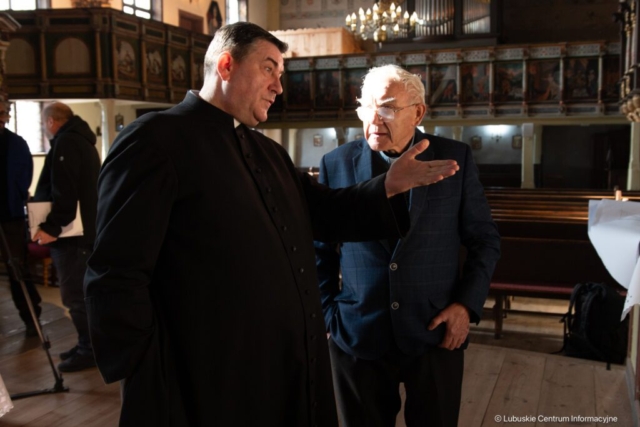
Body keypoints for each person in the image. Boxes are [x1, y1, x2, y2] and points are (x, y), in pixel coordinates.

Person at [83, 22, 460, 427]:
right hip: (205, 376)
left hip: (281, 366)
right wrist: (146, 369)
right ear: (226, 65)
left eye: (280, 74)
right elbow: (115, 273)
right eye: (268, 69)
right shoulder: (154, 140)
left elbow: (326, 212)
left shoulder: (268, 151)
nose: (278, 87)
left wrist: (387, 185)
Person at [314, 64, 501, 427]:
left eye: (386, 107)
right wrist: (328, 314)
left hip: (436, 331)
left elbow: (484, 240)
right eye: (366, 106)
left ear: (418, 113)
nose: (374, 118)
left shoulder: (455, 158)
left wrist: (465, 306)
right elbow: (319, 249)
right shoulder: (336, 163)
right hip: (357, 332)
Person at [32, 102, 101, 372]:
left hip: (73, 235)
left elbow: (65, 192)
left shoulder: (67, 142)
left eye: (43, 124)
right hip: (84, 232)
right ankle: (87, 344)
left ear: (51, 121)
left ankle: (89, 350)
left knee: (75, 296)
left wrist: (51, 227)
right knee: (80, 294)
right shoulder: (82, 140)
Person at [0, 102, 42, 337]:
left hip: (11, 217)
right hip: (11, 214)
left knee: (17, 268)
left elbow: (24, 178)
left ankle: (31, 317)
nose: (3, 118)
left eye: (4, 113)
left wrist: (16, 196)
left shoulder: (17, 143)